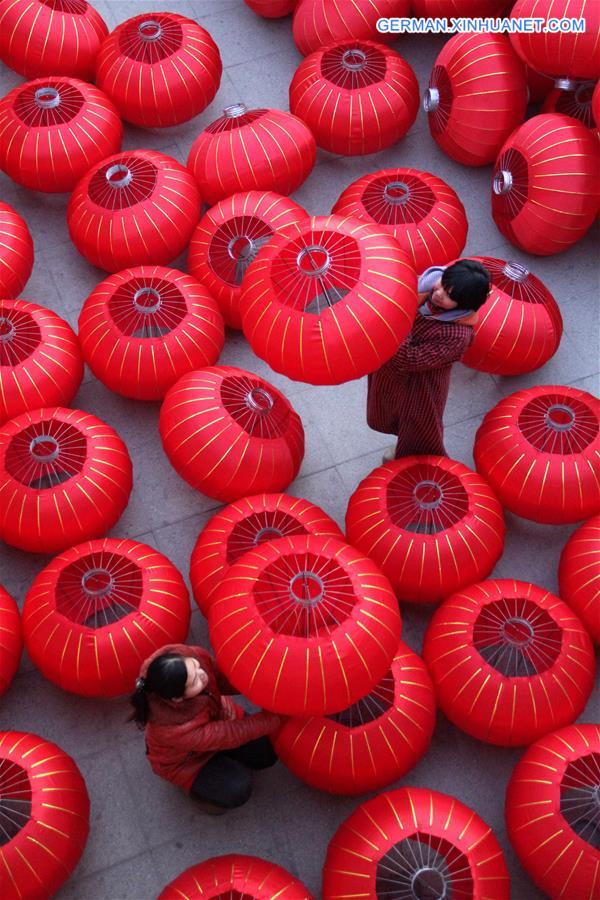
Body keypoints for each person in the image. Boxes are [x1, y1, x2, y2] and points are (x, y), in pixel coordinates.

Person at [130, 643, 281, 812]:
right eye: (194, 681)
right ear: (178, 699)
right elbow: (230, 733)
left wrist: (259, 687)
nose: (201, 674)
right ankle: (197, 794)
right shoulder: (174, 729)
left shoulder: (192, 657)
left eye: (196, 666)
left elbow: (222, 679)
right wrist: (276, 717)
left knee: (267, 754)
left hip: (217, 719)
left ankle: (226, 761)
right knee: (239, 789)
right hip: (189, 761)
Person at [367, 259, 491, 460]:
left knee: (418, 428)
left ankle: (407, 460)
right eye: (443, 283)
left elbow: (410, 359)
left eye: (450, 295)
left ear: (465, 304)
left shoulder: (457, 336)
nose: (439, 293)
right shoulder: (419, 289)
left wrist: (399, 318)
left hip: (423, 382)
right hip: (392, 368)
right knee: (388, 406)